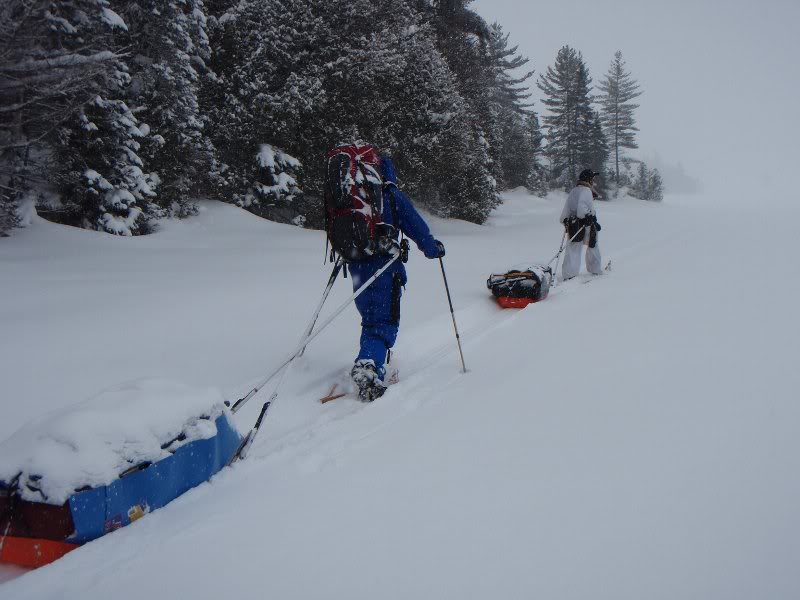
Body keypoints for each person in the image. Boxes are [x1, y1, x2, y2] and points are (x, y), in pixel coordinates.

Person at [349, 155, 444, 402]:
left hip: (357, 266)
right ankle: (369, 368)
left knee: (370, 318)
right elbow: (417, 227)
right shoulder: (390, 195)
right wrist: (433, 248)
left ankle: (368, 358)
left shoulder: (353, 195)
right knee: (382, 323)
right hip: (385, 269)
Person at [560, 169, 603, 280]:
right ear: (588, 179)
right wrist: (590, 218)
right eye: (592, 178)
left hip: (573, 224)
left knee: (573, 247)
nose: (593, 181)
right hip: (585, 224)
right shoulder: (586, 190)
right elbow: (582, 208)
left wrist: (565, 220)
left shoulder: (574, 190)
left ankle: (569, 273)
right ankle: (595, 269)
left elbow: (566, 209)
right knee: (592, 245)